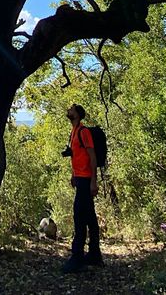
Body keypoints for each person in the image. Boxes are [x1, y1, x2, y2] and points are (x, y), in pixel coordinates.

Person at [61, 104, 102, 273]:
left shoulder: (83, 132)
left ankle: (77, 257)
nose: (68, 110)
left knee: (79, 216)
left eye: (71, 109)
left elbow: (92, 157)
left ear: (77, 114)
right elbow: (77, 155)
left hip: (86, 180)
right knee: (90, 217)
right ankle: (94, 254)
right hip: (80, 178)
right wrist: (73, 175)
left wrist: (93, 181)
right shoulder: (74, 131)